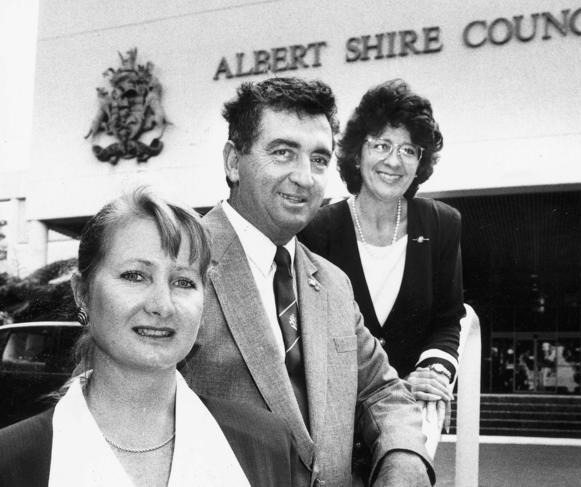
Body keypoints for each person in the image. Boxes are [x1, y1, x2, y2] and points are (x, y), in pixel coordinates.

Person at [180, 77, 434, 486]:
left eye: (319, 160)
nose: (305, 177)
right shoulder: (181, 263)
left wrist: (404, 461)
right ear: (232, 162)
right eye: (283, 153)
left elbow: (382, 391)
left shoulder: (333, 284)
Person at [0, 188, 295, 487]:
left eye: (183, 282)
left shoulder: (266, 445)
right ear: (83, 294)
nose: (162, 305)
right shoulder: (11, 461)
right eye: (135, 276)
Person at [299, 79, 465, 436]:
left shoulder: (442, 224)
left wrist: (434, 372)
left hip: (409, 413)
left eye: (409, 150)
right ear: (358, 153)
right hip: (334, 416)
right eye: (382, 145)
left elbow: (448, 320)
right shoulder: (315, 230)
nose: (394, 161)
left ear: (420, 163)